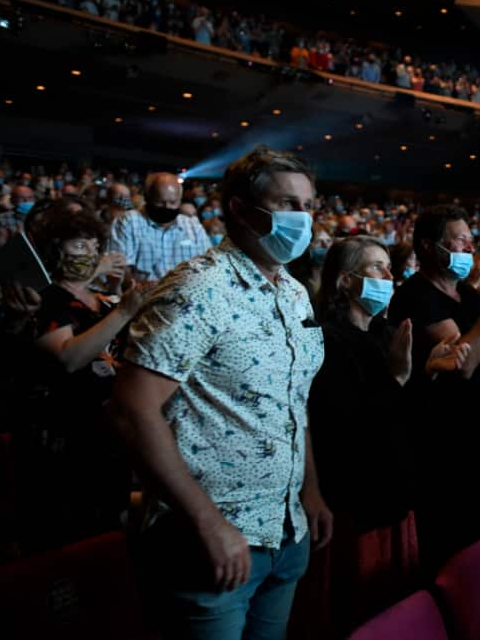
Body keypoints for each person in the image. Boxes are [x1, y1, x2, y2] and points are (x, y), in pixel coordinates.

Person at [109, 146, 332, 640]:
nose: (303, 218)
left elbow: (293, 401)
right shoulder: (197, 289)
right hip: (210, 541)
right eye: (287, 204)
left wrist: (309, 490)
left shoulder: (293, 291)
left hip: (285, 529)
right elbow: (132, 410)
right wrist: (207, 523)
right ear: (239, 207)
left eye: (309, 205)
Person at [307, 236, 469, 633]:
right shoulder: (323, 338)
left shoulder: (387, 333)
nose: (389, 275)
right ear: (346, 282)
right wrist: (397, 377)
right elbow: (343, 425)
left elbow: (406, 413)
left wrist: (427, 370)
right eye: (377, 267)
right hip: (356, 496)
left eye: (387, 266)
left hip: (396, 485)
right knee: (358, 612)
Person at [387, 204, 480, 572]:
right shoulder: (417, 296)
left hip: (474, 437)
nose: (469, 250)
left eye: (471, 242)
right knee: (445, 547)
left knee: (472, 537)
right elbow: (466, 362)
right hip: (437, 446)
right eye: (459, 241)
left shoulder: (470, 297)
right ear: (429, 247)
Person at [18, 210, 145, 551]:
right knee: (73, 532)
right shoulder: (47, 299)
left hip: (110, 434)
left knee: (110, 527)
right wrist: (124, 312)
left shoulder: (102, 299)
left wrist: (119, 298)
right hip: (69, 437)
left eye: (93, 244)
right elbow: (69, 358)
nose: (89, 252)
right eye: (78, 244)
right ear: (56, 250)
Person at [109, 172, 212, 281]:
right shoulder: (129, 221)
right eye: (160, 202)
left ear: (180, 201)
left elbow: (208, 265)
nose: (167, 207)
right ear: (148, 198)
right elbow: (120, 267)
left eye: (173, 202)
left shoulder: (193, 227)